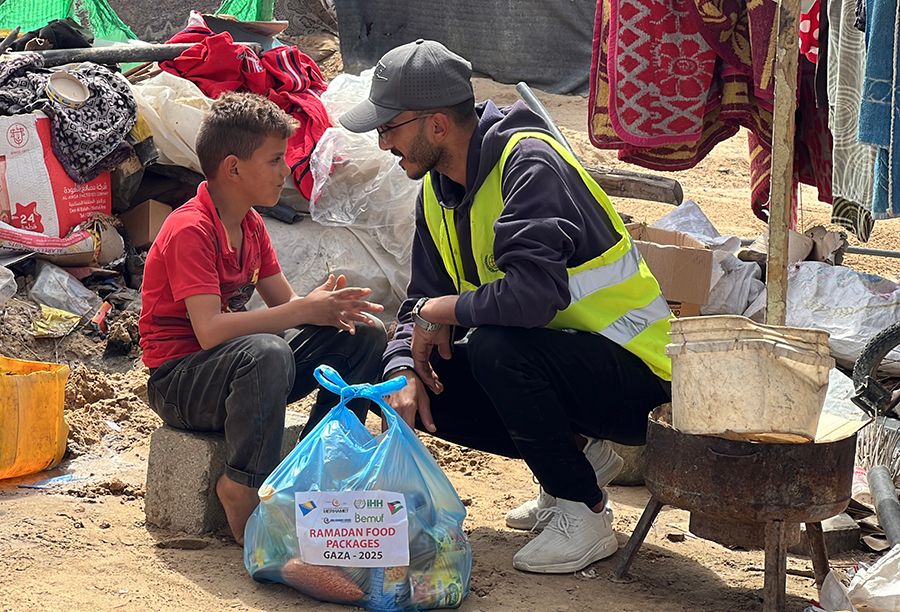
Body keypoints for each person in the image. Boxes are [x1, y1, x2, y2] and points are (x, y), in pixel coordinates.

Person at [340, 40, 673, 573]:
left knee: (498, 348)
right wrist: (402, 368)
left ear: (437, 126)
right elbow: (419, 302)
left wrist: (438, 312)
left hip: (643, 380)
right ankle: (576, 461)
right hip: (570, 364)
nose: (382, 143)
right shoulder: (438, 191)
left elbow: (532, 298)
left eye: (389, 128)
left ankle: (583, 511)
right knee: (427, 385)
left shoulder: (529, 165)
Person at [139, 92, 387, 544]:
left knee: (364, 333)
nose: (284, 171)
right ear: (233, 168)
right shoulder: (191, 228)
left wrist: (323, 307)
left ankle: (322, 464)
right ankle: (242, 483)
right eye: (274, 160)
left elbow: (285, 304)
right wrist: (299, 309)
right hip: (180, 384)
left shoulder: (251, 225)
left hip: (241, 375)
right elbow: (209, 332)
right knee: (267, 352)